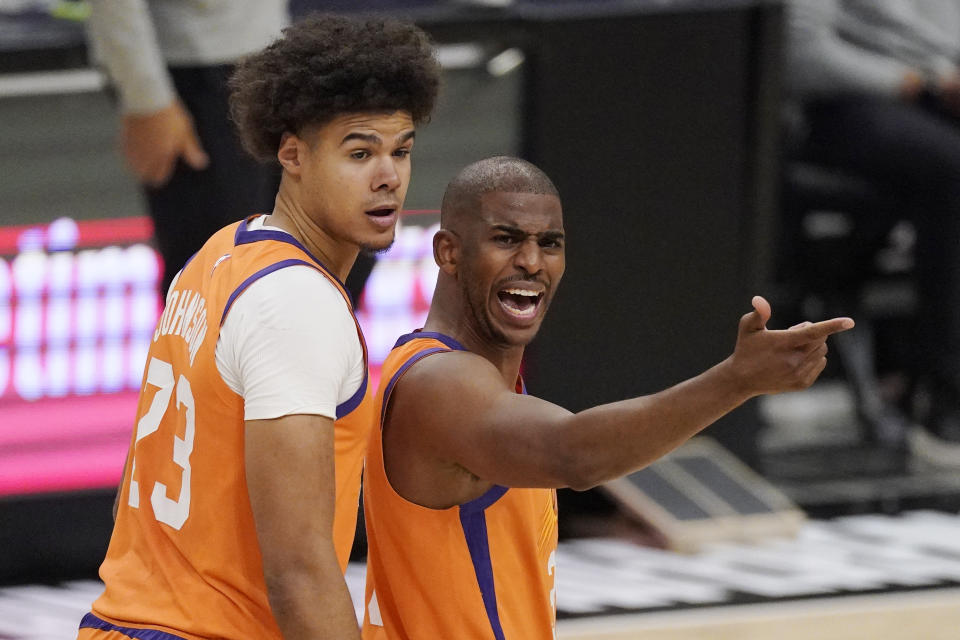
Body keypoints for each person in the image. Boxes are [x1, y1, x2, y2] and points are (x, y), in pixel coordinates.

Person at [360, 156, 854, 639]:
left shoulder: (481, 382)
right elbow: (573, 455)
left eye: (549, 243)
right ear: (448, 252)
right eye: (505, 239)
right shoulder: (438, 383)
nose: (531, 262)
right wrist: (736, 380)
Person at [77, 14, 439, 640]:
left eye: (400, 150)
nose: (389, 176)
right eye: (359, 152)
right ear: (291, 153)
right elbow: (298, 568)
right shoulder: (296, 303)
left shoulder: (218, 253)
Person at [785, 0, 960, 462]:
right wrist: (919, 84)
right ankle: (943, 395)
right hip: (840, 103)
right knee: (952, 168)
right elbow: (800, 54)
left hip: (936, 87)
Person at [85, 0, 288, 295]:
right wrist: (146, 98)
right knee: (213, 286)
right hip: (196, 71)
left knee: (289, 271)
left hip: (271, 53)